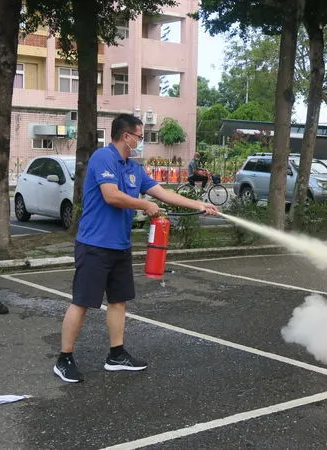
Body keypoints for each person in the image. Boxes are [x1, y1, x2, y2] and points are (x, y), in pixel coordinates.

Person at [53, 114, 219, 383]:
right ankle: (64, 358)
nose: (140, 142)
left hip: (120, 246)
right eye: (139, 137)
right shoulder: (102, 158)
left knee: (118, 301)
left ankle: (116, 355)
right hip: (94, 244)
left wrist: (201, 206)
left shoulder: (133, 168)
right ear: (125, 135)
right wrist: (144, 205)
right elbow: (111, 195)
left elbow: (163, 193)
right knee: (82, 302)